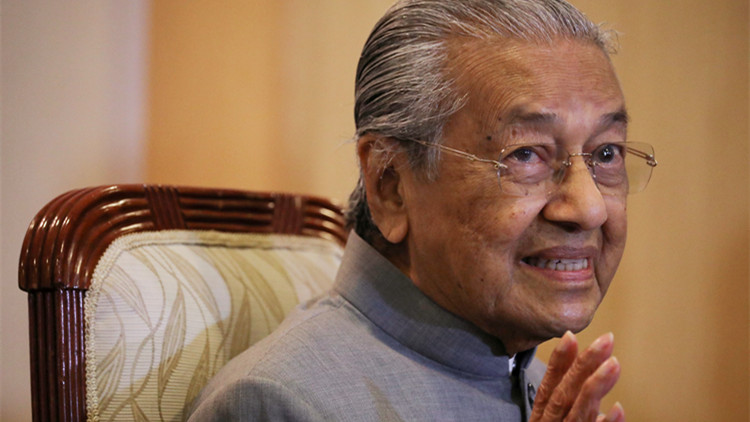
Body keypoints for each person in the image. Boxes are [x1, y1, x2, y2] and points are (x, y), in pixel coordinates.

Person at [188, 0, 657, 420]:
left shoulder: (541, 382)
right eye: (526, 154)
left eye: (606, 153)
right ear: (390, 185)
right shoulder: (279, 403)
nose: (589, 208)